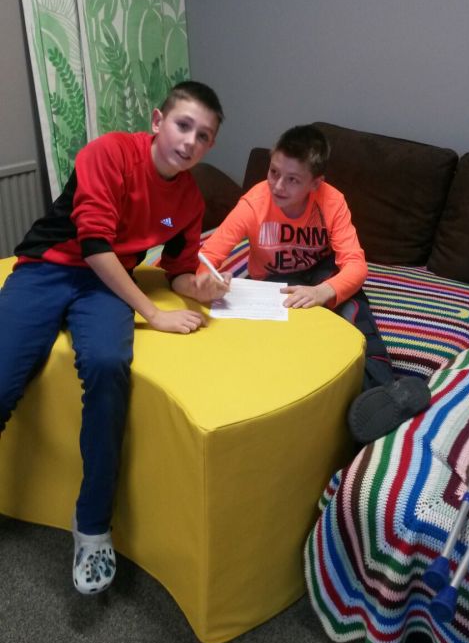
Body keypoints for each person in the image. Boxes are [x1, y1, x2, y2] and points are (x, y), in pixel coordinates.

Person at [0, 80, 230, 595]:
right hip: (48, 268)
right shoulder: (108, 153)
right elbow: (95, 245)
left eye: (204, 136)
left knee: (108, 367)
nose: (190, 141)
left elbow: (178, 268)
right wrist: (153, 313)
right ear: (157, 121)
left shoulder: (188, 200)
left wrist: (200, 288)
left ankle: (93, 526)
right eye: (183, 125)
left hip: (105, 287)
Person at [198, 123, 430, 445]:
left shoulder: (331, 201)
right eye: (273, 172)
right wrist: (210, 278)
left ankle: (387, 393)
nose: (278, 185)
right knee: (253, 337)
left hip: (321, 274)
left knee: (354, 313)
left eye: (292, 179)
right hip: (273, 281)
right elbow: (207, 256)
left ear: (315, 183)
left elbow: (355, 265)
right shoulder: (254, 203)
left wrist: (324, 292)